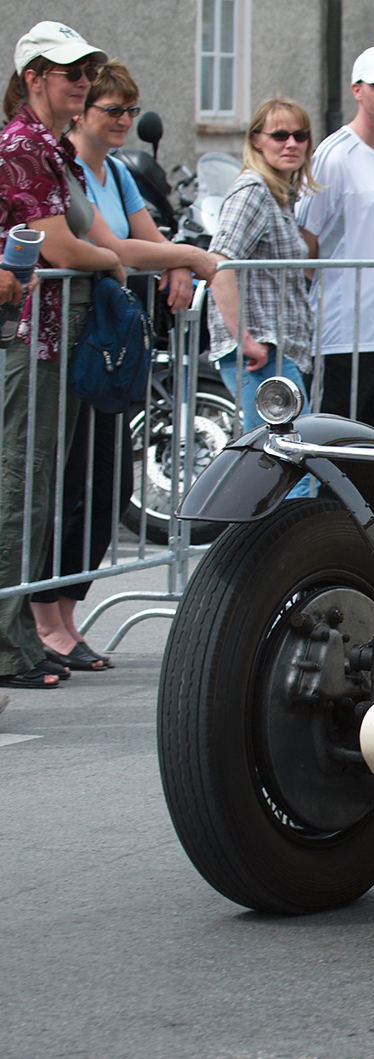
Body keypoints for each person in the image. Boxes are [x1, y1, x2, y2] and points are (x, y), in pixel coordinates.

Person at [30, 60, 221, 671]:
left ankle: (67, 612)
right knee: (65, 483)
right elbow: (113, 248)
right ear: (82, 113)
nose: (122, 121)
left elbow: (147, 241)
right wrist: (190, 256)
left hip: (110, 343)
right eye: (112, 110)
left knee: (109, 481)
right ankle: (44, 619)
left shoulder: (117, 171)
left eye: (130, 111)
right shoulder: (65, 168)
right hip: (71, 338)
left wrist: (176, 260)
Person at [0, 21, 122, 690]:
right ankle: (6, 645)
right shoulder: (21, 145)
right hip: (28, 335)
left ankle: (21, 635)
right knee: (20, 486)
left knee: (41, 490)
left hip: (53, 337)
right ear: (33, 79)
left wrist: (103, 258)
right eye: (70, 73)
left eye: (87, 73)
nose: (83, 82)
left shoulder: (51, 148)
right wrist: (108, 262)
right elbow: (61, 247)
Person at [296, 44, 374, 432]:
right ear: (357, 90)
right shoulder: (335, 154)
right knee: (334, 443)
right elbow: (305, 241)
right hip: (344, 335)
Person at [206, 97, 317, 443]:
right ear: (256, 140)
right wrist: (245, 340)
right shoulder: (252, 190)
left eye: (300, 135)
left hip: (276, 350)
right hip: (260, 353)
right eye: (280, 135)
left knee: (286, 454)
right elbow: (219, 264)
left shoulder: (278, 195)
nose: (291, 144)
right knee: (284, 455)